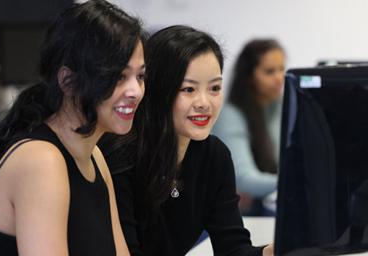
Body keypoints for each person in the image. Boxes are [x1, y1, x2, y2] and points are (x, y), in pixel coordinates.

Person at [0, 0, 145, 255]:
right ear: (68, 80)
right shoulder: (42, 161)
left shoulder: (95, 156)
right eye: (118, 76)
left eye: (140, 76)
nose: (135, 91)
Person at [100, 25, 273, 256]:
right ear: (159, 89)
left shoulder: (214, 156)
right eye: (188, 89)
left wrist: (277, 250)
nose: (204, 102)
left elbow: (232, 249)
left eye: (214, 88)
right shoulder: (121, 157)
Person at [212, 39, 285, 215]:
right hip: (244, 212)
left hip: (269, 202)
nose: (279, 78)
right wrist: (294, 182)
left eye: (282, 69)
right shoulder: (231, 114)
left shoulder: (284, 105)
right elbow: (243, 179)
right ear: (250, 75)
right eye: (269, 71)